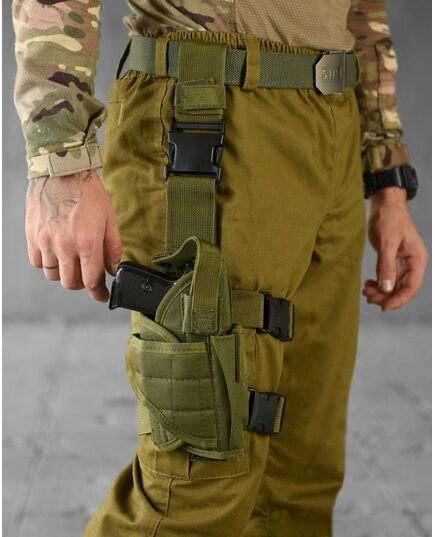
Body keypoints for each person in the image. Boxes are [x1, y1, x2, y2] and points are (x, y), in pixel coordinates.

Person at [12, 1, 428, 536]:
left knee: (300, 481)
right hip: (210, 111)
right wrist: (60, 158)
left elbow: (364, 9)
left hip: (335, 128)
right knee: (195, 487)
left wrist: (387, 175)